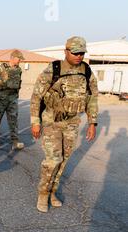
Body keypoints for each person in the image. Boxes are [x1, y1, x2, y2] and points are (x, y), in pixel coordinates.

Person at [30, 37, 98, 213]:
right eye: (75, 52)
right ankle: (43, 194)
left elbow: (92, 98)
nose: (78, 55)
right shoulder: (54, 69)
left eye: (81, 52)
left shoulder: (87, 71)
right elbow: (36, 96)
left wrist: (92, 122)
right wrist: (35, 122)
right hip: (52, 121)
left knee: (64, 160)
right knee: (53, 159)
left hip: (72, 122)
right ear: (66, 51)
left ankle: (53, 191)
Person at [0, 50, 25, 150]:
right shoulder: (2, 68)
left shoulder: (19, 70)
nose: (20, 61)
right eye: (19, 59)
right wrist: (3, 81)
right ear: (13, 58)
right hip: (1, 98)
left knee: (13, 120)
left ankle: (15, 141)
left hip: (13, 98)